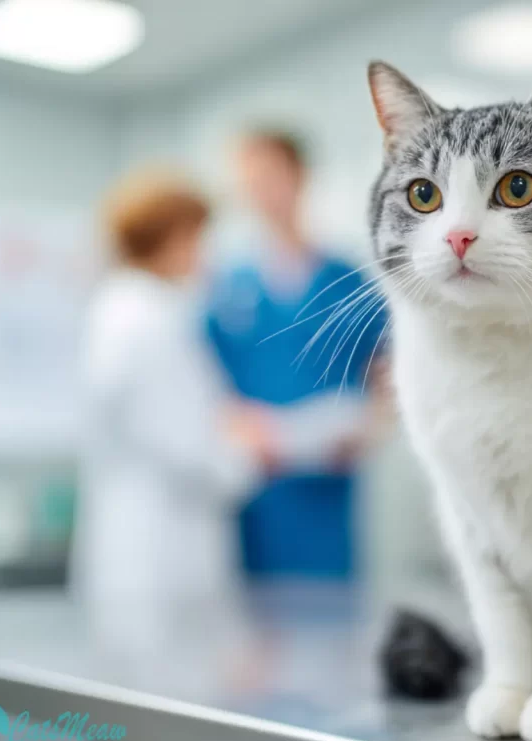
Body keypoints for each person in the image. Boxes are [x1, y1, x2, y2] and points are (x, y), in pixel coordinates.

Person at [74, 170, 270, 651]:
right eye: (200, 237)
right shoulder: (148, 319)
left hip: (138, 540)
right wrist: (246, 454)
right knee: (165, 687)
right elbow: (188, 445)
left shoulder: (120, 309)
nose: (205, 252)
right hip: (164, 549)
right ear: (173, 237)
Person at [206, 128, 389, 581]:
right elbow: (208, 388)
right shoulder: (225, 286)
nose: (260, 193)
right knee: (253, 632)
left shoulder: (346, 280)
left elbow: (389, 378)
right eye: (249, 182)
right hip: (252, 493)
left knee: (327, 629)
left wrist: (367, 430)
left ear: (300, 177)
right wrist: (242, 427)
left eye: (270, 176)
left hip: (327, 492)